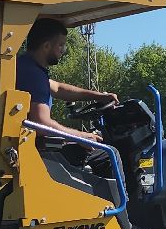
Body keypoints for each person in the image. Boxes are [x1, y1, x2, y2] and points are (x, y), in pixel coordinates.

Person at [17, 17, 120, 145]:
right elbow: (41, 124)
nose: (63, 50)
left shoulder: (25, 66)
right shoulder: (34, 75)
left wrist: (99, 96)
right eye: (60, 45)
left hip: (27, 143)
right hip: (34, 147)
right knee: (111, 154)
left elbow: (59, 88)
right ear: (46, 46)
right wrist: (82, 136)